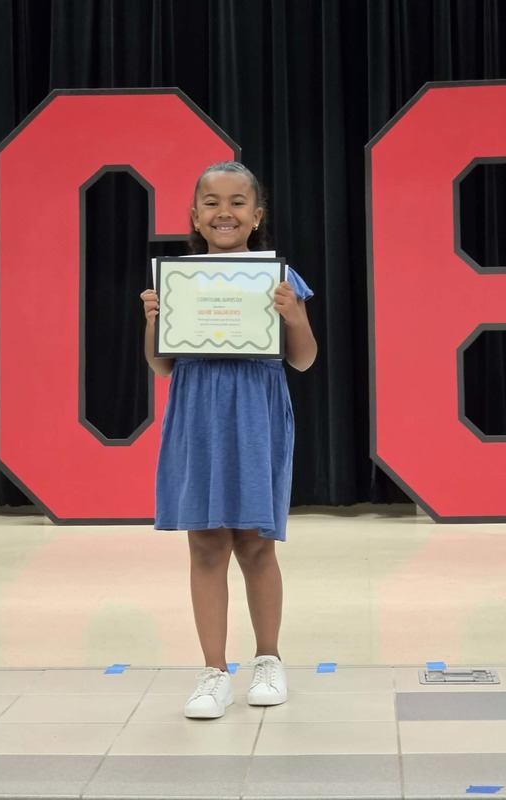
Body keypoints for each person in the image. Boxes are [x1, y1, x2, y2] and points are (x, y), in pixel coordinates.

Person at [140, 161, 317, 719]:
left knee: (256, 542)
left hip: (256, 412)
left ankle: (269, 660)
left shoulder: (280, 278)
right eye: (212, 202)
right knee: (207, 542)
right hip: (197, 414)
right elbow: (162, 366)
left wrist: (292, 317)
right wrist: (153, 319)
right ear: (194, 215)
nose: (225, 212)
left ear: (257, 215)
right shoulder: (177, 278)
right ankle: (214, 671)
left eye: (238, 202)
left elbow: (305, 359)